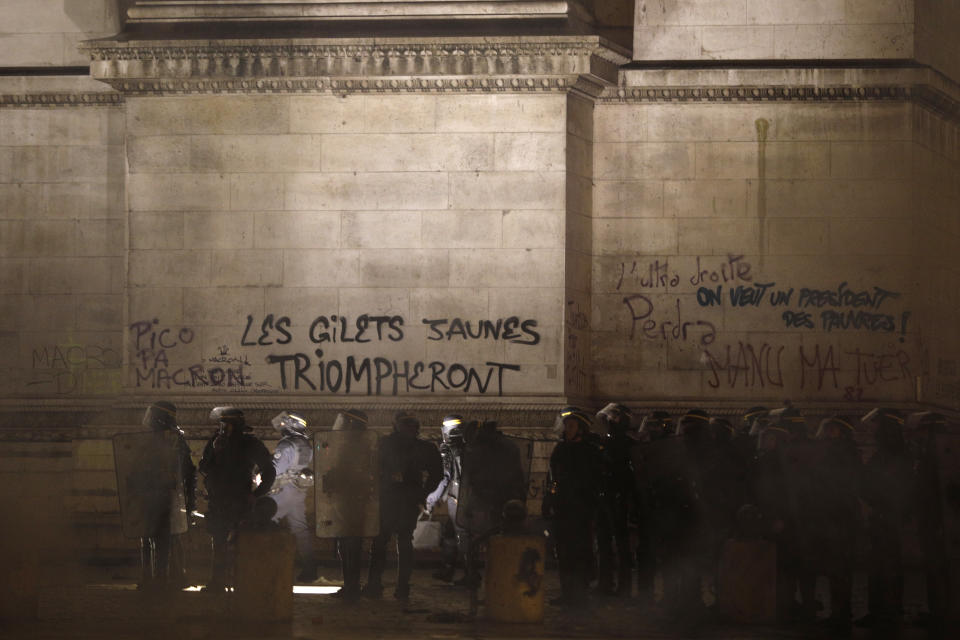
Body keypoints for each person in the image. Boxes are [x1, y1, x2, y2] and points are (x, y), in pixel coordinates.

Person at [365, 411, 442, 600]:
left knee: (381, 543)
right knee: (404, 543)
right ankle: (402, 587)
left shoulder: (383, 443)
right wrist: (423, 494)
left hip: (387, 498)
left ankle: (375, 585)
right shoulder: (424, 447)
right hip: (408, 498)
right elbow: (437, 473)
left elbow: (369, 467)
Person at [198, 406, 276, 591]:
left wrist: (256, 495)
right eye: (222, 424)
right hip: (218, 499)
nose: (224, 428)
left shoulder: (249, 443)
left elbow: (269, 470)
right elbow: (204, 468)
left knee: (241, 542)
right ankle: (218, 582)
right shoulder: (216, 441)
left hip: (239, 500)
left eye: (227, 424)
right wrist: (216, 452)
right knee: (218, 542)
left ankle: (242, 581)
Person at [856, 407, 914, 628]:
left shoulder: (894, 455)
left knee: (885, 565)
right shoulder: (893, 452)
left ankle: (886, 611)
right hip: (883, 514)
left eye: (877, 425)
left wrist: (876, 503)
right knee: (882, 564)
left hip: (885, 515)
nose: (873, 430)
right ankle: (884, 609)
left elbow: (888, 486)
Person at [456, 419, 527, 587]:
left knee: (479, 539)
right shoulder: (510, 446)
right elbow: (518, 476)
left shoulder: (476, 450)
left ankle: (477, 576)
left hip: (485, 502)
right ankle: (505, 575)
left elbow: (469, 480)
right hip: (508, 502)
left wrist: (466, 505)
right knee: (504, 541)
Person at [543, 406, 602, 606]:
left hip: (581, 510)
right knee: (564, 551)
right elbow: (551, 478)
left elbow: (594, 481)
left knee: (581, 550)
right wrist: (548, 501)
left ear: (581, 428)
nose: (567, 429)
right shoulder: (561, 449)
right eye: (566, 425)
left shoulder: (589, 451)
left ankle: (581, 592)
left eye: (571, 425)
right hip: (562, 508)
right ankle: (567, 591)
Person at [138, 401, 196, 591]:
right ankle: (150, 576)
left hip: (167, 497)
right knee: (149, 537)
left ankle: (165, 577)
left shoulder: (175, 441)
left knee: (166, 538)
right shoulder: (152, 439)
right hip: (152, 496)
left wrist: (189, 501)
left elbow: (187, 471)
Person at [811, 415, 861, 632]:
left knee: (838, 568)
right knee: (840, 569)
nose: (828, 434)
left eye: (832, 430)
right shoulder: (848, 452)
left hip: (837, 516)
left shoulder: (838, 454)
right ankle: (841, 612)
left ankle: (840, 616)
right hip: (841, 515)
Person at [268, 410, 317, 583]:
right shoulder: (305, 443)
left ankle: (269, 566)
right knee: (300, 529)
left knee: (266, 523)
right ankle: (310, 569)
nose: (282, 426)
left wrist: (261, 477)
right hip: (298, 490)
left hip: (283, 490)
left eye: (285, 423)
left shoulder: (286, 445)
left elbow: (275, 470)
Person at [329, 408, 371, 601]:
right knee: (347, 544)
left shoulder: (354, 446)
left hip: (350, 500)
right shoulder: (356, 444)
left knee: (350, 545)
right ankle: (350, 585)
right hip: (350, 499)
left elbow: (344, 472)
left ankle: (351, 586)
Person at [594, 402, 636, 596]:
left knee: (621, 542)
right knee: (603, 541)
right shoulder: (604, 440)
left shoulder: (628, 443)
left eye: (615, 416)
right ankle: (605, 582)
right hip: (604, 495)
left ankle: (624, 585)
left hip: (619, 496)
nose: (610, 419)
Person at [425, 414, 466, 582]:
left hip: (456, 499)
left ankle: (467, 572)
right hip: (467, 497)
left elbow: (446, 477)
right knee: (453, 534)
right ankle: (451, 569)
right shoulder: (468, 446)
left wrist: (431, 499)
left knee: (458, 535)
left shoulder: (447, 448)